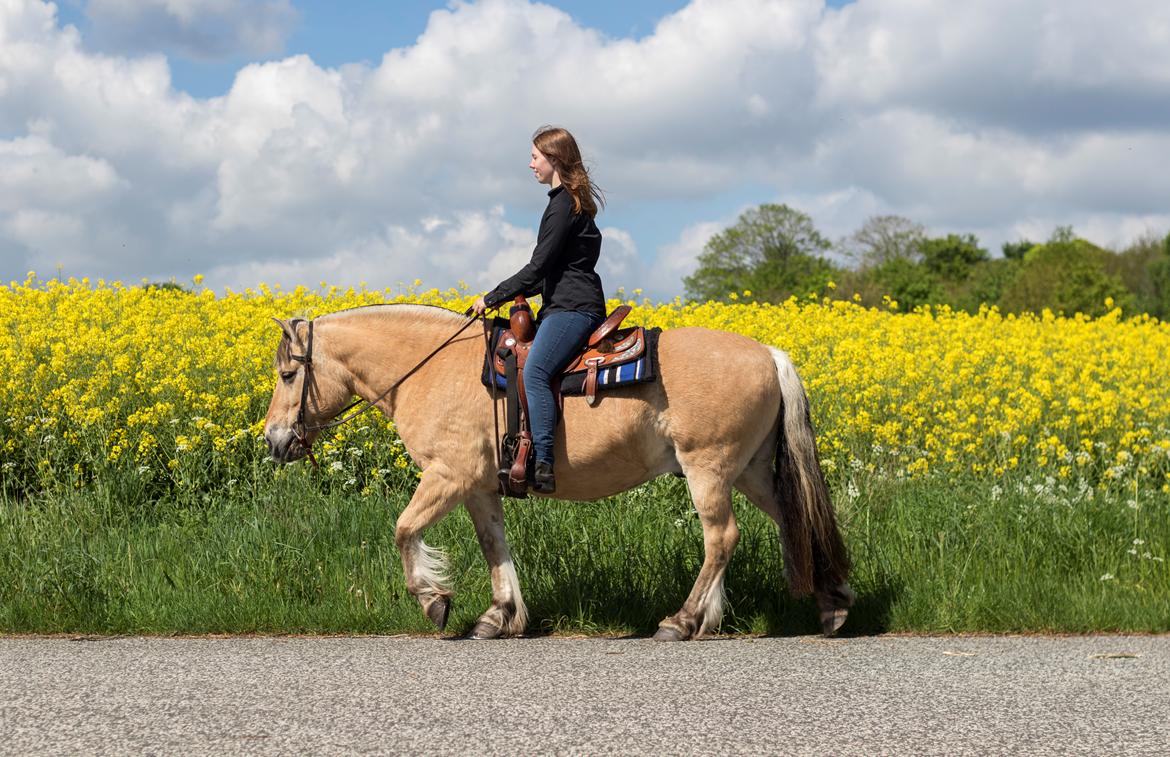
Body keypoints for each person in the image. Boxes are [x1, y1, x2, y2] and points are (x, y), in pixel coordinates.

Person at [472, 126, 607, 493]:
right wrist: (505, 296)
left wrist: (492, 297)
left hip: (571, 308)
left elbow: (538, 266)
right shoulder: (565, 202)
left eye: (535, 157)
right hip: (568, 301)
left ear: (554, 159)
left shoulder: (563, 205)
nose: (530, 164)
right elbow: (545, 274)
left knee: (535, 372)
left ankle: (543, 462)